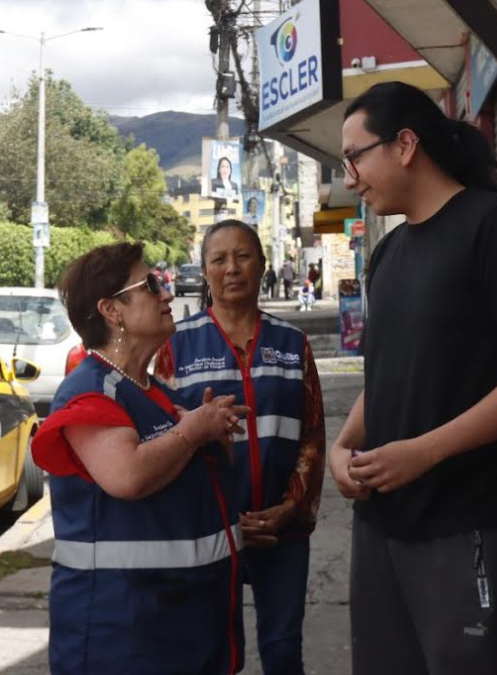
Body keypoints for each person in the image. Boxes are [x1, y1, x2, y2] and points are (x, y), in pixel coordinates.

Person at [329, 81, 497, 675]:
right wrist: (343, 445)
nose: (350, 176)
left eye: (355, 156)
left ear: (405, 144)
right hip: (385, 522)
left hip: (475, 520)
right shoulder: (387, 255)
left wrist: (425, 452)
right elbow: (392, 373)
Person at [32, 241, 250, 675]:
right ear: (112, 310)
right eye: (152, 284)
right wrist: (193, 431)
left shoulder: (157, 396)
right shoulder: (90, 391)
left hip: (185, 632)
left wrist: (212, 440)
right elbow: (126, 476)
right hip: (125, 638)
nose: (167, 293)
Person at [156, 220, 326, 675]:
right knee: (213, 654)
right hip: (212, 533)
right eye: (219, 259)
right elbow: (165, 443)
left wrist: (291, 505)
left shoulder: (293, 345)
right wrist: (222, 520)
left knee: (284, 650)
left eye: (243, 256)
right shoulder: (177, 346)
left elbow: (312, 436)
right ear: (206, 271)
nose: (232, 268)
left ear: (263, 265)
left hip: (281, 531)